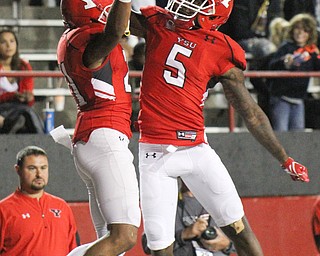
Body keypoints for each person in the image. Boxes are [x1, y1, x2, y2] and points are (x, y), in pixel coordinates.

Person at [128, 0, 310, 255]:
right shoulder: (161, 23)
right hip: (155, 153)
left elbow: (251, 113)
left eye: (197, 2)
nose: (186, 3)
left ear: (215, 12)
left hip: (196, 149)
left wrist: (284, 157)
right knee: (160, 248)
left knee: (239, 228)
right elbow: (119, 24)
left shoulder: (220, 47)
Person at [56, 0, 141, 255]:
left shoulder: (74, 37)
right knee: (123, 237)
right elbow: (115, 32)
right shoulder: (89, 41)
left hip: (93, 137)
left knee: (109, 241)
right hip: (105, 136)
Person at [0, 146, 78, 256]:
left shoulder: (62, 207)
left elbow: (75, 250)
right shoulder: (4, 210)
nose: (39, 174)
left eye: (43, 168)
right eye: (32, 168)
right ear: (18, 170)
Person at [268, 13, 320, 131]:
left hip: (298, 99)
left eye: (305, 30)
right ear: (292, 30)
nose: (300, 33)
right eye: (297, 28)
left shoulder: (312, 51)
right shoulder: (286, 47)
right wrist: (285, 62)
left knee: (298, 134)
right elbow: (272, 66)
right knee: (281, 133)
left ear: (310, 33)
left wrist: (317, 55)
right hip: (282, 98)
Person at [0, 29, 44, 134]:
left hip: (19, 108)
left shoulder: (23, 66)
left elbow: (29, 98)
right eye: (3, 42)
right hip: (2, 109)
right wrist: (13, 96)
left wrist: (28, 97)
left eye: (12, 41)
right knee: (26, 115)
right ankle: (43, 145)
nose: (8, 45)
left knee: (23, 117)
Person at [128, 41, 146, 131]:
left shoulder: (152, 67)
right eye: (142, 55)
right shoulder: (128, 67)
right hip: (130, 110)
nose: (145, 58)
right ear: (135, 55)